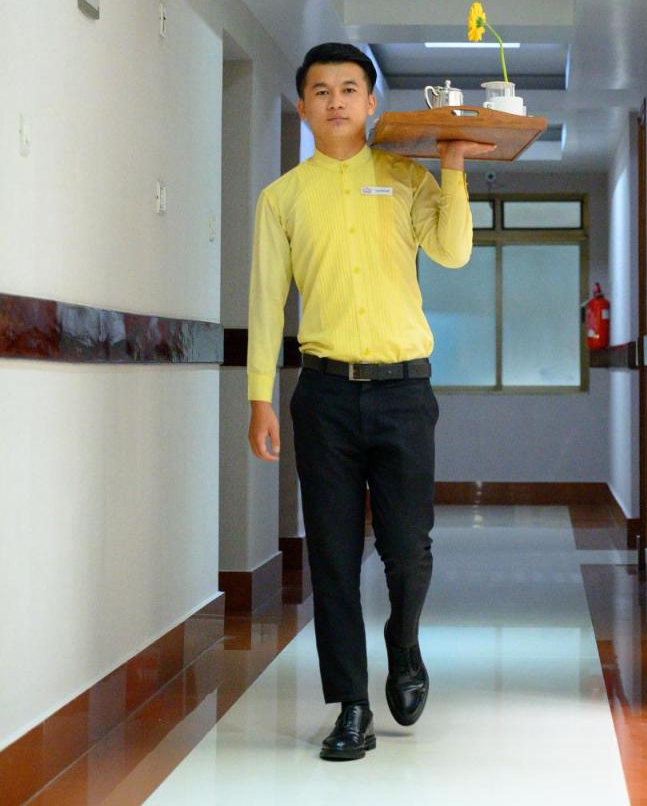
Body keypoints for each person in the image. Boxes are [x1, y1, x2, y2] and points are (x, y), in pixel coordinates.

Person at [246, 42, 495, 761]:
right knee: (332, 556)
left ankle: (404, 645)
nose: (336, 101)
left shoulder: (405, 177)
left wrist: (452, 167)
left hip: (404, 393)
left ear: (371, 102)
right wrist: (260, 396)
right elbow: (266, 302)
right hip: (323, 395)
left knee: (408, 550)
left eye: (349, 88)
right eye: (322, 91)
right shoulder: (283, 198)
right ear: (303, 107)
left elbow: (452, 252)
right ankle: (351, 705)